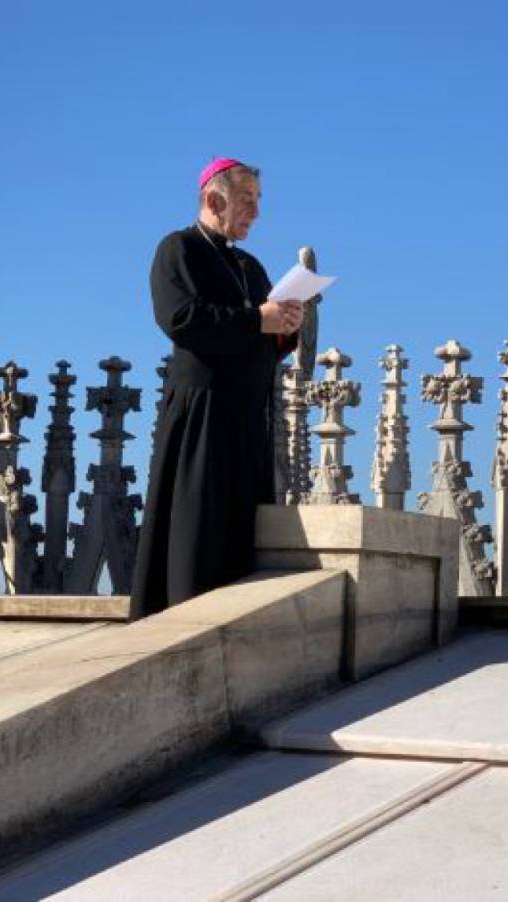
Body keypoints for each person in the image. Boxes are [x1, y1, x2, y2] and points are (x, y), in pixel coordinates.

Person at [130, 159, 303, 617]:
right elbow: (181, 320)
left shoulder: (249, 265)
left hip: (248, 422)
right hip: (201, 421)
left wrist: (285, 326)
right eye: (248, 200)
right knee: (196, 541)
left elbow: (261, 340)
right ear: (213, 199)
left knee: (244, 546)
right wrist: (257, 320)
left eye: (259, 201)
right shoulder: (178, 249)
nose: (256, 212)